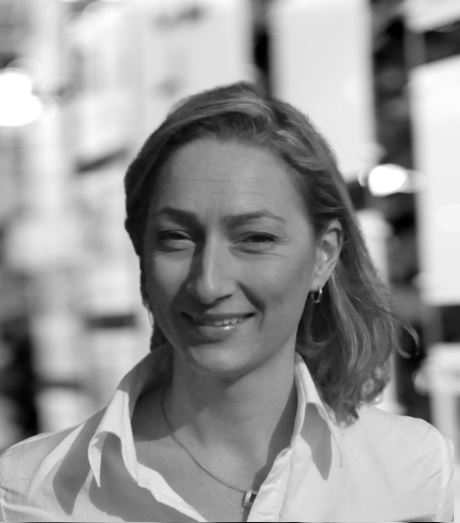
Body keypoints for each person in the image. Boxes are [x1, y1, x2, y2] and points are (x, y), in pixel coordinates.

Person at [0, 82, 454, 522]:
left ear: (323, 255)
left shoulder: (409, 470)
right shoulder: (31, 492)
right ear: (142, 253)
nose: (208, 283)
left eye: (255, 238)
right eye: (176, 237)